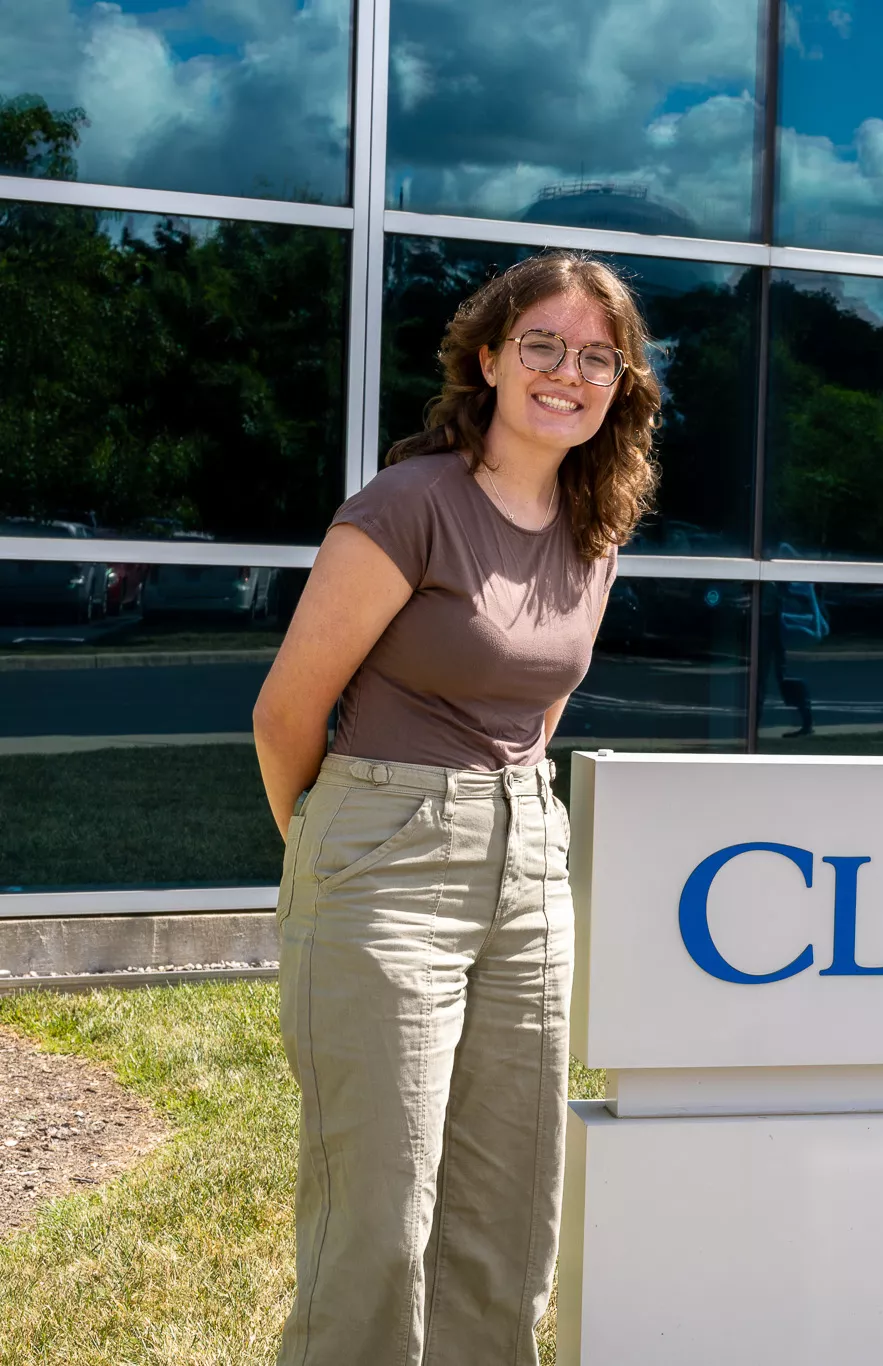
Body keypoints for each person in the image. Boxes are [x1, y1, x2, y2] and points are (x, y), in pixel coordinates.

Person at [251, 251, 659, 1366]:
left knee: (509, 1216)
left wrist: (507, 829)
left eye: (595, 357)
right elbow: (286, 712)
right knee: (376, 1223)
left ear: (620, 383)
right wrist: (331, 853)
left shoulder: (596, 526)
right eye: (541, 345)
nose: (566, 372)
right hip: (385, 860)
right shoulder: (407, 506)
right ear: (487, 358)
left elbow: (544, 706)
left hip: (527, 862)